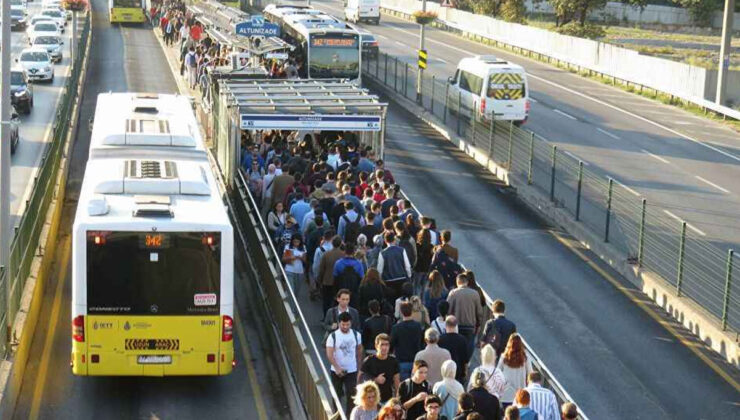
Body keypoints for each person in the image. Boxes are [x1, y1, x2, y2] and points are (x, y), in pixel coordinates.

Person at [326, 312, 364, 414]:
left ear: (351, 323)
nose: (345, 327)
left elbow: (359, 350)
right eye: (343, 324)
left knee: (351, 395)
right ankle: (337, 416)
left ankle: (349, 416)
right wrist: (337, 368)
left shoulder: (357, 335)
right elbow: (329, 354)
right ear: (339, 323)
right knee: (337, 395)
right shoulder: (333, 336)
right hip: (336, 371)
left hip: (351, 370)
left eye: (347, 324)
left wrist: (359, 366)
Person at [447, 273, 483, 358]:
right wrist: (479, 325)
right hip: (470, 326)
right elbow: (479, 312)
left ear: (457, 282)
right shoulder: (475, 293)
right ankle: (466, 362)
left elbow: (448, 309)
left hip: (456, 325)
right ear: (467, 282)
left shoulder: (453, 293)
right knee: (469, 345)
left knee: (456, 347)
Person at [359, 333, 401, 404]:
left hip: (387, 399)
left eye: (386, 345)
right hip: (371, 400)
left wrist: (397, 399)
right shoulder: (369, 360)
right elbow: (360, 378)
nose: (384, 347)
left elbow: (396, 381)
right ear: (376, 346)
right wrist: (375, 380)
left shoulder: (393, 361)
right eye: (382, 345)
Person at [496, 334, 532, 409]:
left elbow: (497, 373)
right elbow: (530, 374)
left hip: (506, 393)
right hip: (520, 394)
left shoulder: (504, 357)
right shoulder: (525, 358)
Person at [391, 302, 424, 380]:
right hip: (416, 360)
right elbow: (422, 342)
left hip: (401, 361)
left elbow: (392, 343)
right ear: (412, 311)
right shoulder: (418, 326)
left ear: (401, 312)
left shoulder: (396, 328)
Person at [377, 232, 413, 298]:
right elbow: (407, 266)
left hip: (389, 282)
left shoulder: (382, 253)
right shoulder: (402, 250)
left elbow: (380, 270)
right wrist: (409, 276)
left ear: (385, 241)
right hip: (402, 279)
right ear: (394, 240)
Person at [437, 316, 469, 384]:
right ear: (456, 325)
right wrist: (466, 372)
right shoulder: (463, 339)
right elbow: (465, 358)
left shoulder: (440, 339)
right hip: (458, 371)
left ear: (445, 325)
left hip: (444, 371)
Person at [318, 236, 346, 313]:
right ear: (340, 244)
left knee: (326, 301)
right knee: (337, 301)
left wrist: (319, 280)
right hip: (338, 282)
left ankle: (326, 317)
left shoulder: (326, 254)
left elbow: (321, 269)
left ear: (332, 243)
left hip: (327, 281)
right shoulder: (343, 255)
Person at [414, 228, 434, 296]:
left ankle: (415, 301)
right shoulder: (431, 247)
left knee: (416, 287)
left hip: (418, 269)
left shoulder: (417, 246)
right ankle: (422, 302)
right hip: (427, 269)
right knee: (424, 288)